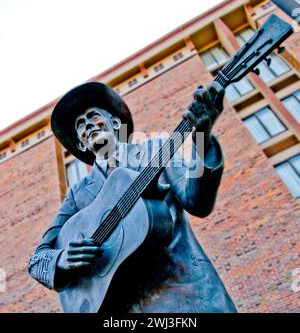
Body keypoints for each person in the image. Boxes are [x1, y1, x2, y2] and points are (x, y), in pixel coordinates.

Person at [28, 81, 237, 313]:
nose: (88, 125)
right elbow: (37, 261)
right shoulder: (78, 195)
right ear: (81, 143)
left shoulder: (154, 150)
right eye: (80, 125)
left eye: (93, 116)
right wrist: (62, 259)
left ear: (115, 122)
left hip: (187, 296)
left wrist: (201, 138)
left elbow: (197, 201)